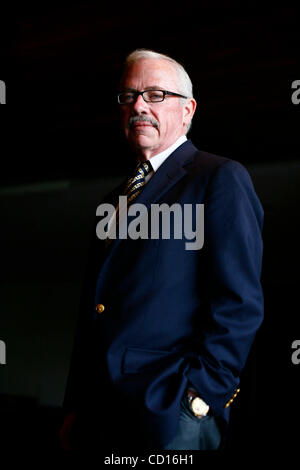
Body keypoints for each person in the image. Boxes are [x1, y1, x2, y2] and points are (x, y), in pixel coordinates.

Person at [59, 49, 264, 452]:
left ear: (187, 110)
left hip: (172, 412)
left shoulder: (219, 177)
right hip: (99, 416)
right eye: (128, 96)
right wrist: (75, 407)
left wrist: (200, 396)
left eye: (155, 94)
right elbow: (94, 312)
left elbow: (239, 300)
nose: (138, 105)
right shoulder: (114, 200)